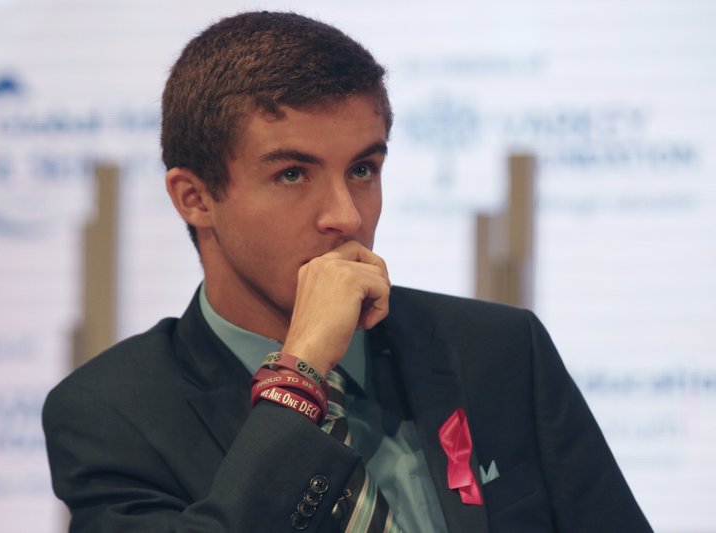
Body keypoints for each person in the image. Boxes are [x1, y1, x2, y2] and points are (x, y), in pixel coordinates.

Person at [42, 11, 651, 533]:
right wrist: (301, 371)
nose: (346, 215)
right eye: (292, 175)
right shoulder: (108, 412)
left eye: (363, 169)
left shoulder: (497, 349)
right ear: (195, 198)